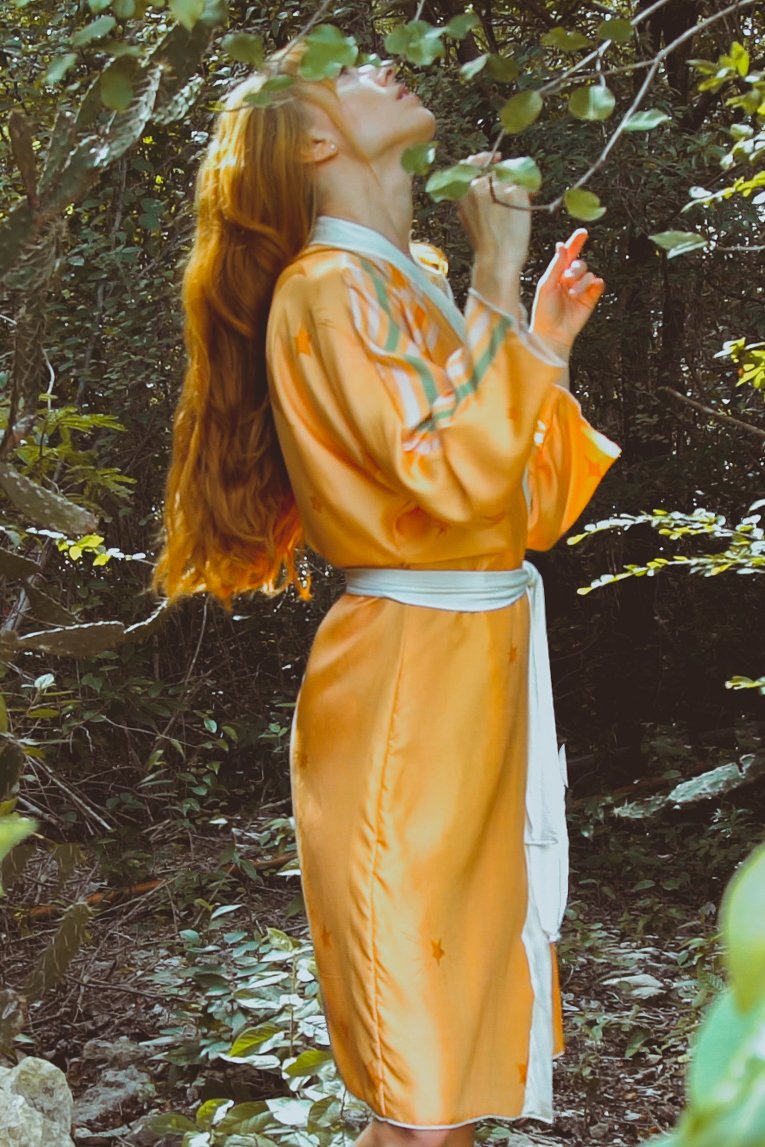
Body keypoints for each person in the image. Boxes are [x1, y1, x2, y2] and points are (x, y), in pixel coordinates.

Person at [152, 40, 622, 1147]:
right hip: (408, 699)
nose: (380, 61)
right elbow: (452, 479)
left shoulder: (398, 277)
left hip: (474, 681)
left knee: (450, 1078)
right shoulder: (325, 290)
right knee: (422, 1094)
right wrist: (496, 287)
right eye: (343, 68)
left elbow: (529, 503)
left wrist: (537, 342)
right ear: (316, 141)